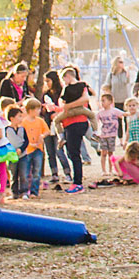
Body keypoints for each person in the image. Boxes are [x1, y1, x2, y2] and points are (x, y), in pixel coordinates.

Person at [53, 64, 94, 193]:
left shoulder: (76, 88)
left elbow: (83, 100)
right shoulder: (78, 88)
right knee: (72, 152)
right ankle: (77, 181)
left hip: (75, 122)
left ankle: (78, 183)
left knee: (74, 153)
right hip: (71, 122)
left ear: (68, 76)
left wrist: (68, 106)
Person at [18, 102, 48, 198]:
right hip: (27, 149)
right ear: (30, 110)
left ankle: (34, 191)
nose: (39, 111)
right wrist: (28, 143)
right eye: (37, 109)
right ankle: (24, 191)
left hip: (38, 149)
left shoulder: (40, 121)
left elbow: (47, 131)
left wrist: (42, 136)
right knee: (25, 171)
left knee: (37, 170)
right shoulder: (24, 122)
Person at [92, 92, 123, 181]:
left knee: (110, 153)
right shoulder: (100, 113)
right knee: (103, 153)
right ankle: (103, 170)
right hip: (103, 135)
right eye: (101, 101)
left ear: (110, 102)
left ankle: (110, 169)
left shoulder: (114, 111)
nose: (102, 103)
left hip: (112, 135)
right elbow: (95, 121)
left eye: (104, 101)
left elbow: (123, 115)